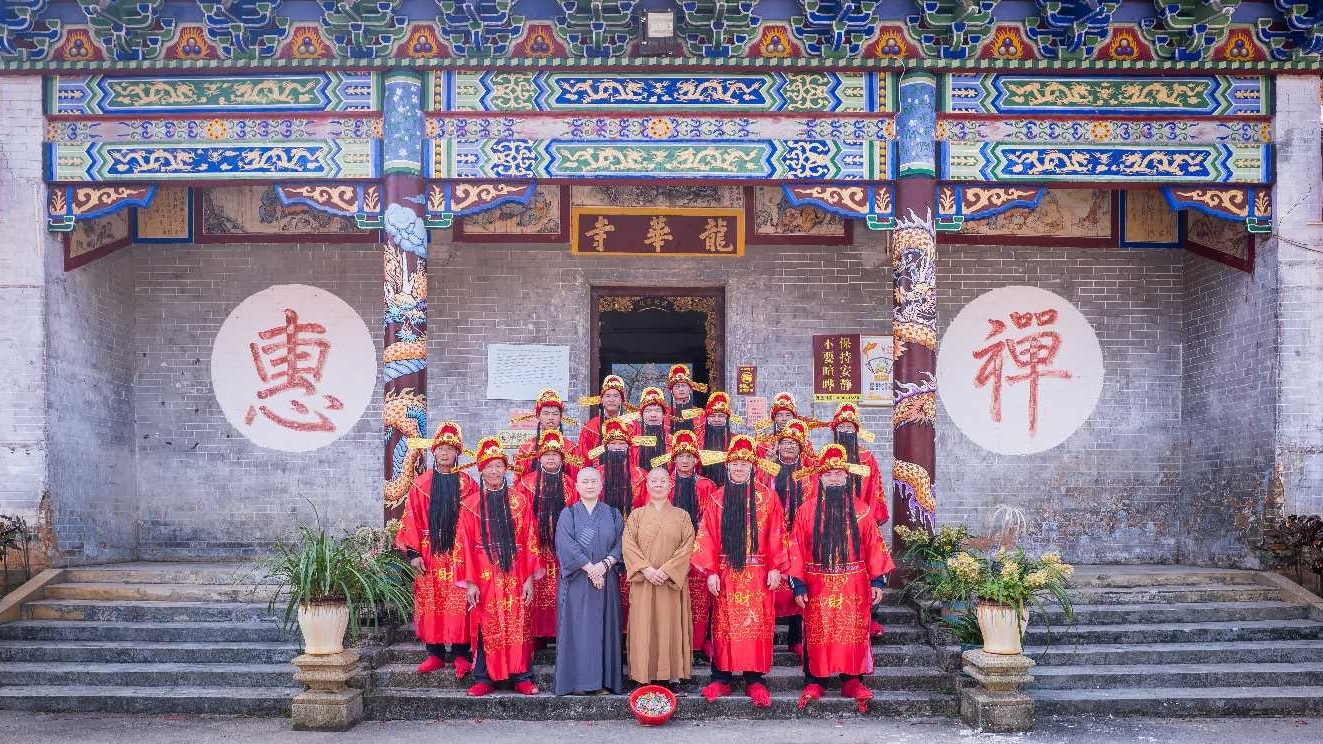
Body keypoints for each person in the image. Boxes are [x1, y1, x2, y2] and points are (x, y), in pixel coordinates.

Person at [788, 444, 895, 710]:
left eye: (839, 473)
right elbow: (796, 548)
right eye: (828, 474)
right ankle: (816, 680)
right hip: (817, 584)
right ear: (820, 478)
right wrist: (798, 584)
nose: (834, 478)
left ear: (847, 477)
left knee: (851, 633)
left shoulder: (862, 510)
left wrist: (877, 581)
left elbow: (874, 546)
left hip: (853, 585)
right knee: (818, 632)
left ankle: (852, 680)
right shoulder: (806, 511)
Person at [692, 435, 788, 708]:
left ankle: (754, 679)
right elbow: (707, 536)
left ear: (753, 466)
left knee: (756, 625)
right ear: (727, 466)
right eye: (734, 463)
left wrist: (776, 567)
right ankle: (721, 677)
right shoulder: (717, 498)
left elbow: (777, 532)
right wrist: (710, 571)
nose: (738, 468)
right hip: (726, 574)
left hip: (758, 574)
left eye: (744, 464)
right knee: (724, 625)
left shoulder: (768, 497)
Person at [458, 437, 542, 697]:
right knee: (486, 623)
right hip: (483, 574)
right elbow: (463, 545)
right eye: (489, 466)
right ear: (481, 470)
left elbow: (530, 540)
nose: (494, 471)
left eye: (499, 466)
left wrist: (529, 578)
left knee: (519, 622)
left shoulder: (520, 502)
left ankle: (522, 676)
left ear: (506, 469)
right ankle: (484, 677)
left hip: (516, 571)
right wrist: (470, 582)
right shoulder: (470, 505)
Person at [396, 422, 480, 678]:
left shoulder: (468, 484)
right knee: (432, 602)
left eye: (450, 449)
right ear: (434, 452)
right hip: (429, 554)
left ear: (457, 453)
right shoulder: (420, 484)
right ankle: (434, 653)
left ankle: (461, 654)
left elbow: (477, 519)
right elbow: (410, 519)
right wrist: (413, 554)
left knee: (460, 602)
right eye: (441, 449)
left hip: (459, 555)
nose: (445, 453)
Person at [647, 429, 720, 656]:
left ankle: (700, 640)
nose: (685, 460)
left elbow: (711, 520)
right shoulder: (664, 484)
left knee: (699, 597)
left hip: (699, 547)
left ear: (696, 459)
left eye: (689, 456)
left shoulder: (706, 486)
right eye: (681, 456)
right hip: (668, 548)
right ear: (674, 458)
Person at [623, 467, 696, 692]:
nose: (658, 484)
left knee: (670, 626)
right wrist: (646, 569)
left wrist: (667, 570)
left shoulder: (682, 516)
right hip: (644, 581)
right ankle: (641, 675)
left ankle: (672, 675)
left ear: (670, 485)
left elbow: (688, 546)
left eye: (662, 481)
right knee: (642, 625)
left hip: (670, 582)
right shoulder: (636, 515)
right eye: (653, 480)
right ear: (647, 485)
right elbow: (628, 546)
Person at [554, 467, 625, 696]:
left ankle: (603, 681)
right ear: (576, 486)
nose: (590, 485)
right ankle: (578, 683)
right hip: (578, 581)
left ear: (601, 485)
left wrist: (604, 565)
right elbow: (565, 545)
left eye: (594, 481)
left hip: (606, 580)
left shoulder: (613, 514)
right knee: (579, 631)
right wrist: (591, 569)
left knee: (604, 630)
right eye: (585, 481)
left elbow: (621, 544)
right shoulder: (569, 514)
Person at [512, 430, 582, 644]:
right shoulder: (525, 484)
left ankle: (563, 636)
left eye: (555, 454)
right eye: (546, 454)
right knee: (536, 592)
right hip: (536, 551)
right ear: (539, 457)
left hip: (562, 553)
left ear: (562, 458)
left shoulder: (571, 484)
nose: (551, 458)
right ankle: (535, 638)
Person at [756, 419, 817, 661]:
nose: (789, 446)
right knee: (769, 588)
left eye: (793, 443)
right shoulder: (767, 471)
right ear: (778, 446)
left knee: (797, 585)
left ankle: (795, 639)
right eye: (785, 443)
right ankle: (767, 637)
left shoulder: (808, 474)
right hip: (771, 537)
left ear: (801, 447)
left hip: (799, 537)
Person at [512, 389, 578, 477]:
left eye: (555, 414)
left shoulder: (570, 448)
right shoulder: (527, 448)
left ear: (560, 417)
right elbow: (520, 481)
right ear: (538, 416)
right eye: (546, 413)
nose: (550, 417)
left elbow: (575, 480)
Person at [576, 374, 636, 463]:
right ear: (602, 400)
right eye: (607, 396)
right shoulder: (591, 427)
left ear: (621, 400)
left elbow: (636, 456)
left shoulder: (632, 426)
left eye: (615, 396)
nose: (611, 399)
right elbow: (583, 458)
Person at [693, 391, 740, 485]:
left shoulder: (736, 441)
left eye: (721, 416)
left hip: (729, 486)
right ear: (707, 418)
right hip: (702, 486)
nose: (717, 419)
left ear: (727, 418)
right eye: (713, 416)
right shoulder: (697, 440)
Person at [633, 386, 671, 473]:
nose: (653, 415)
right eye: (648, 411)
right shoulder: (633, 442)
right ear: (642, 414)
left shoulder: (672, 442)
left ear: (663, 414)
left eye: (658, 411)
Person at [665, 364, 707, 432]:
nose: (681, 389)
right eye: (677, 386)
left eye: (683, 386)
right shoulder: (665, 414)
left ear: (690, 389)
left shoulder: (700, 414)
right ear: (671, 391)